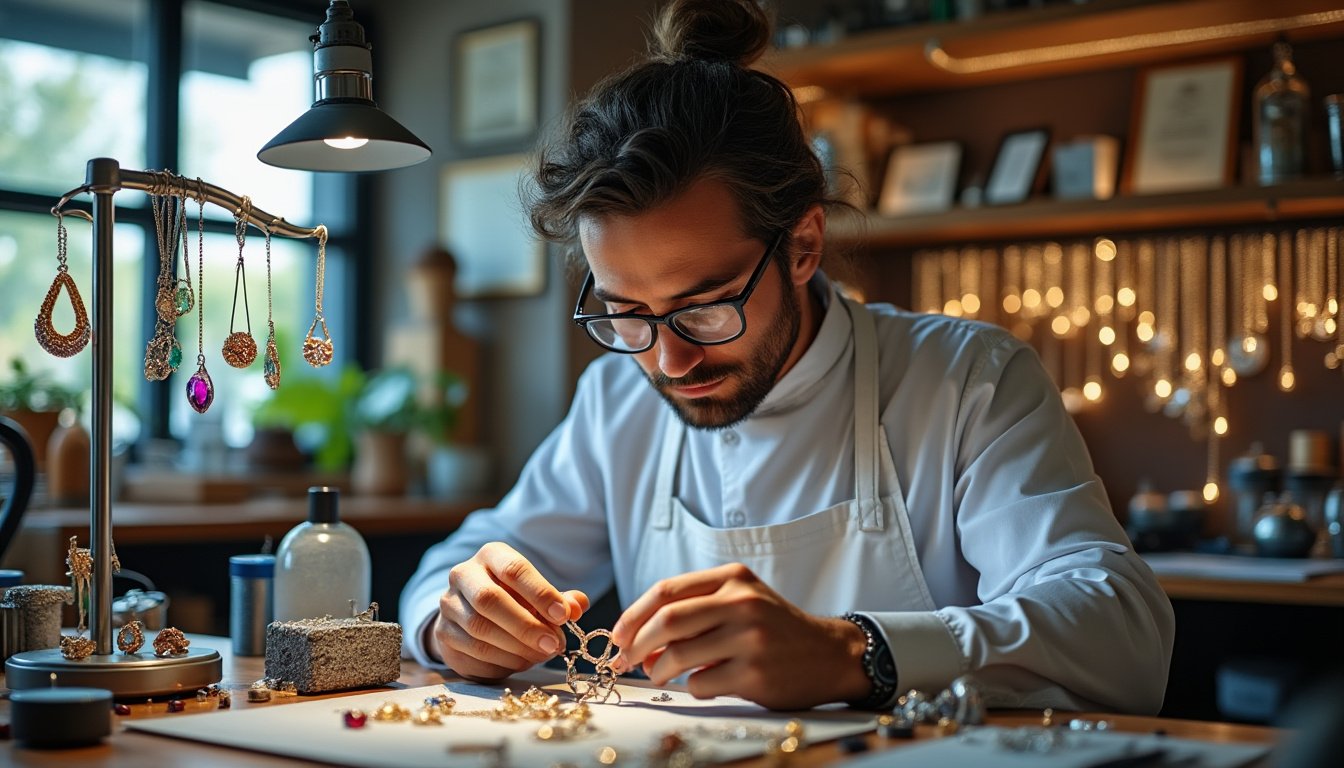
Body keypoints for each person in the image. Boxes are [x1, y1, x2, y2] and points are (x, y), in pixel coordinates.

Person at [400, 0, 1174, 713]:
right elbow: (464, 560)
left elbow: (1121, 630)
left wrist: (859, 651)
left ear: (803, 245)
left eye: (705, 305)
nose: (668, 360)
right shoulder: (616, 402)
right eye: (626, 311)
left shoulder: (968, 381)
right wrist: (454, 617)